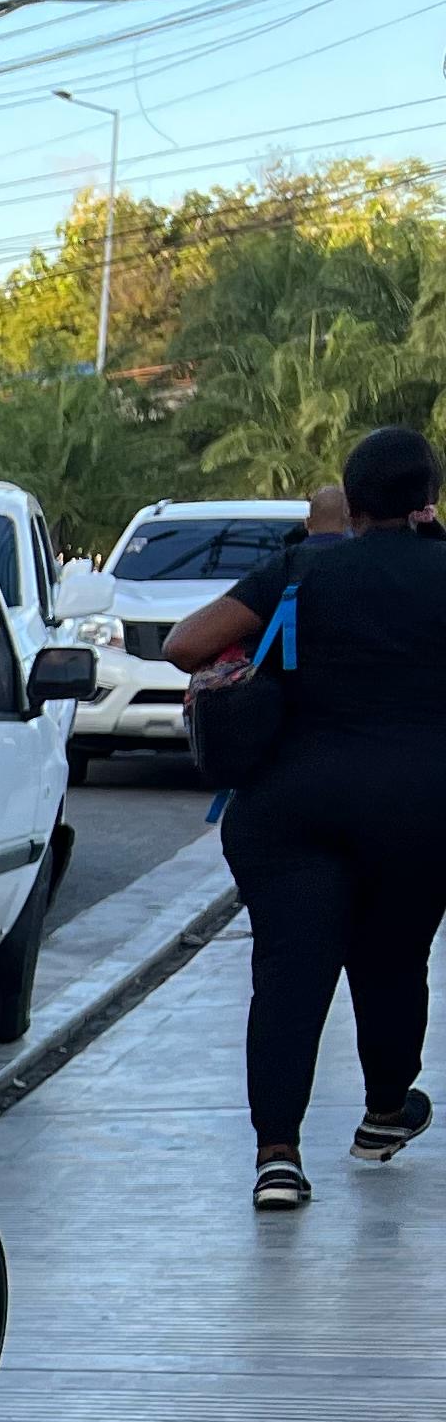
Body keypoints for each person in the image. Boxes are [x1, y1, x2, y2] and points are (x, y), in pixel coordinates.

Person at [166, 424, 446, 1209]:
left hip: (293, 808)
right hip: (420, 811)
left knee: (288, 973)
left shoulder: (300, 570)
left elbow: (187, 644)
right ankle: (385, 1114)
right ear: (429, 500)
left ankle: (277, 1157)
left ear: (350, 503)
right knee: (394, 961)